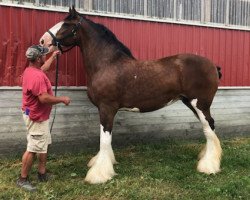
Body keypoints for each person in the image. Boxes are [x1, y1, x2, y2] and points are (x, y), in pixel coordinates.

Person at [16, 45, 70, 192]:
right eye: (44, 55)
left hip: (35, 114)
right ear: (38, 58)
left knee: (44, 143)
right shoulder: (37, 76)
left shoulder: (31, 70)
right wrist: (62, 99)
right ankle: (22, 179)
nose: (45, 56)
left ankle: (42, 173)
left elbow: (43, 69)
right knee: (33, 148)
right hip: (36, 117)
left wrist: (52, 57)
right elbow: (44, 98)